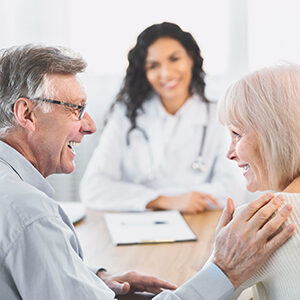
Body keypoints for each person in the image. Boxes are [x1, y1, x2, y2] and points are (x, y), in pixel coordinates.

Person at [0, 44, 294, 300]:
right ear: (26, 114)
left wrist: (88, 280)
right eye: (75, 109)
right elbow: (95, 188)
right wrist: (224, 270)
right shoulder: (29, 212)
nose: (90, 125)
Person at [80, 22, 246, 213]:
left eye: (174, 59)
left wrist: (166, 198)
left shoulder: (218, 116)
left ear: (191, 59)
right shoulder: (126, 115)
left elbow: (233, 189)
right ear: (145, 72)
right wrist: (161, 200)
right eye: (153, 65)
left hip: (200, 224)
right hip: (137, 227)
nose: (166, 73)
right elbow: (93, 188)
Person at [217, 64, 300, 299]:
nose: (230, 153)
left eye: (237, 134)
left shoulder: (264, 223)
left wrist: (219, 261)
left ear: (276, 134)